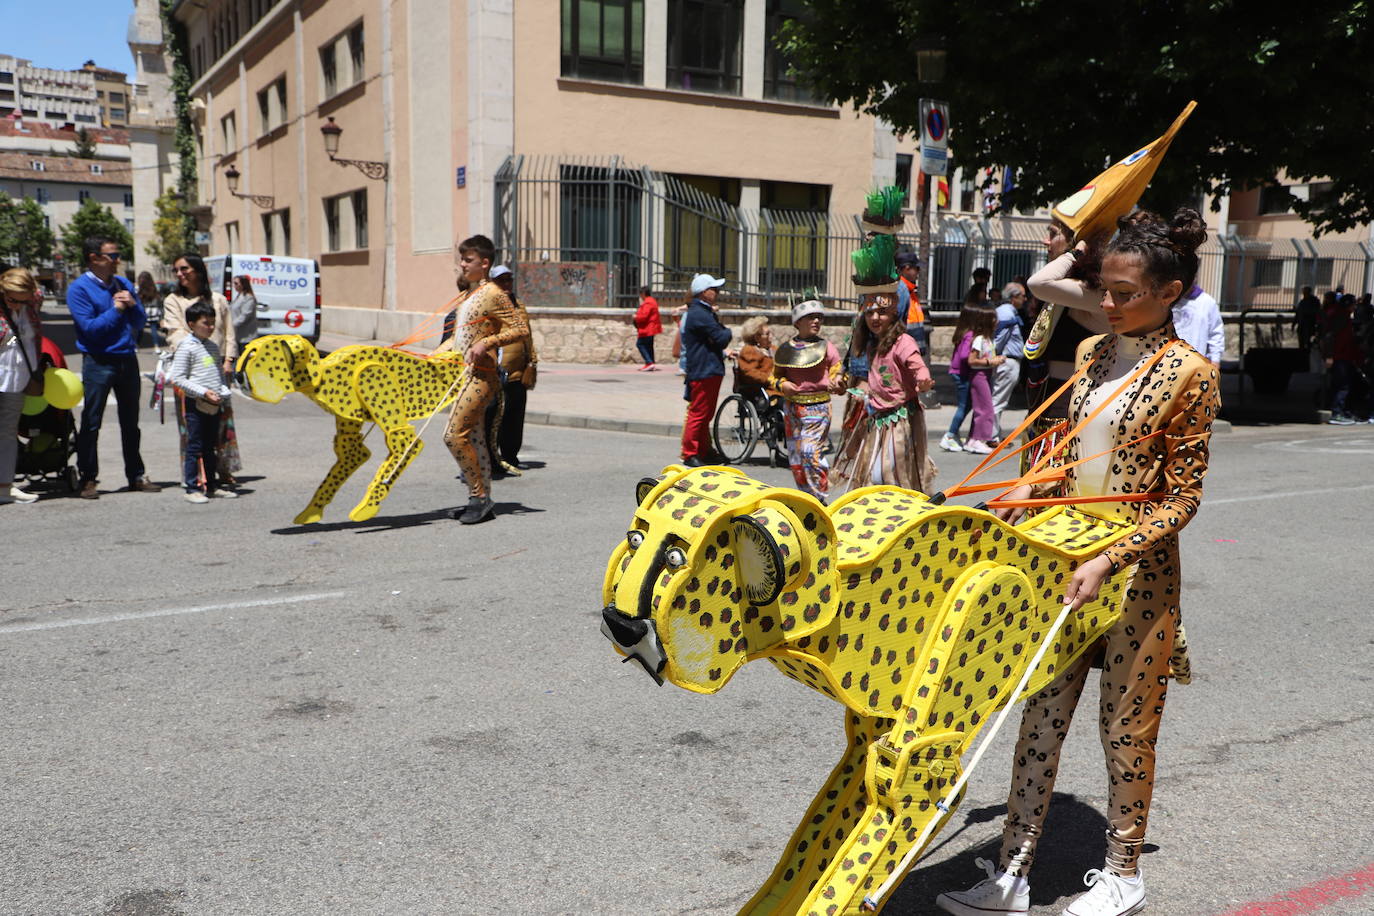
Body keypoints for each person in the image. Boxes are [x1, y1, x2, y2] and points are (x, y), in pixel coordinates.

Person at [936, 208, 1220, 916]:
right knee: (1039, 718)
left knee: (1124, 729)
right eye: (1107, 290)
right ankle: (1013, 875)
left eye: (1127, 293)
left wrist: (1111, 556)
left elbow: (1181, 500)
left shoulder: (1192, 375)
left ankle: (1123, 874)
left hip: (1135, 574)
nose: (1111, 305)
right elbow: (1069, 450)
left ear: (1171, 291)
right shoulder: (1093, 352)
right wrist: (1031, 487)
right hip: (1064, 555)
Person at [437, 234, 528, 524]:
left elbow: (520, 329)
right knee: (474, 440)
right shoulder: (471, 295)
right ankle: (480, 501)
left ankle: (479, 496)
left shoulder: (493, 293)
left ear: (484, 263)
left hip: (482, 377)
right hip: (464, 375)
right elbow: (457, 338)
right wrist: (432, 357)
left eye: (468, 260)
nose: (462, 264)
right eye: (462, 259)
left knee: (453, 435)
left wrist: (487, 342)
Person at [68, 236, 160, 499]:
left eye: (118, 255)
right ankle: (88, 478)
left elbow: (140, 319)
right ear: (94, 258)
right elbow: (90, 329)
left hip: (126, 359)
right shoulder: (79, 289)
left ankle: (136, 475)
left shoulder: (122, 283)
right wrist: (118, 309)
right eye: (113, 255)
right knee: (92, 422)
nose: (118, 259)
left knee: (131, 423)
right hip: (97, 361)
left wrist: (131, 305)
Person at [1022, 219, 1111, 476]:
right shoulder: (1068, 289)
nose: (1045, 241)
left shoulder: (1093, 292)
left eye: (1053, 234)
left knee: (1053, 495)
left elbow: (1038, 282)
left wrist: (1078, 249)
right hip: (1049, 404)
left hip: (1070, 407)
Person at [832, 292, 936, 494]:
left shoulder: (903, 342)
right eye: (870, 313)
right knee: (873, 475)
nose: (875, 318)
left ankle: (904, 512)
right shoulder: (872, 344)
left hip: (901, 419)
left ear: (894, 315)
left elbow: (918, 366)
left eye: (882, 312)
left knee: (888, 474)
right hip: (877, 419)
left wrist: (923, 380)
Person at [162, 254, 243, 487]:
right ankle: (196, 475)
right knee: (193, 426)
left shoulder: (218, 299)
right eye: (176, 270)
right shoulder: (173, 300)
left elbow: (228, 332)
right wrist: (198, 348)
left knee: (221, 423)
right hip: (190, 372)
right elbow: (175, 333)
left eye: (184, 268)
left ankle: (223, 469)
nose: (180, 274)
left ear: (198, 270)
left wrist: (228, 361)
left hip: (217, 370)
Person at [168, 301, 236, 504]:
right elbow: (178, 378)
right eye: (206, 323)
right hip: (195, 404)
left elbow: (218, 376)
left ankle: (212, 486)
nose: (211, 327)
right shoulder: (186, 347)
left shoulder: (213, 347)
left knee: (211, 446)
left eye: (213, 323)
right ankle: (192, 487)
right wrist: (203, 392)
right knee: (194, 445)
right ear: (192, 324)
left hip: (214, 404)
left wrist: (222, 392)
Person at [773, 300, 841, 502]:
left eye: (819, 317)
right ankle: (806, 498)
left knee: (810, 453)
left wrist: (838, 381)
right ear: (798, 322)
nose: (816, 321)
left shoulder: (827, 347)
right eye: (811, 317)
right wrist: (782, 385)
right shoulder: (785, 349)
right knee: (796, 458)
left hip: (818, 407)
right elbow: (774, 377)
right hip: (792, 407)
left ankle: (819, 498)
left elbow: (838, 371)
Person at [485, 265, 536, 474]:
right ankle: (491, 459)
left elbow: (527, 337)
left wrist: (532, 361)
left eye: (509, 280)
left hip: (517, 373)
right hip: (496, 373)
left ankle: (510, 457)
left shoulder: (520, 307)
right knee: (494, 419)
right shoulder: (489, 306)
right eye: (501, 281)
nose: (506, 285)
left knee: (515, 419)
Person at [680, 273, 733, 467]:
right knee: (699, 413)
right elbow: (721, 337)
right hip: (704, 369)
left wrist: (721, 332)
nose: (717, 293)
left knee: (705, 413)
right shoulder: (700, 313)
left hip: (707, 368)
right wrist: (727, 331)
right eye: (714, 289)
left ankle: (703, 450)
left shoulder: (702, 311)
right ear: (703, 293)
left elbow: (717, 336)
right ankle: (690, 452)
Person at [0, 267, 42, 505]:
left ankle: (4, 487)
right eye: (11, 299)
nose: (16, 304)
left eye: (21, 300)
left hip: (17, 376)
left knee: (7, 433)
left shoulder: (31, 304)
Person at [940, 291, 1001, 452]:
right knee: (965, 406)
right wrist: (989, 360)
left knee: (971, 406)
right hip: (963, 374)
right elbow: (966, 357)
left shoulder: (971, 335)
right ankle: (950, 435)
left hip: (965, 373)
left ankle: (967, 437)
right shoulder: (972, 337)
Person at [992, 282, 1027, 438]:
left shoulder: (1006, 312)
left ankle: (995, 433)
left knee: (998, 399)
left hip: (1007, 361)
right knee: (998, 400)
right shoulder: (1007, 314)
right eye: (1023, 296)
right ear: (1013, 297)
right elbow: (998, 340)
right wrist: (994, 357)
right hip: (1007, 361)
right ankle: (992, 435)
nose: (1025, 299)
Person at [1172, 284, 1224, 365]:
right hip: (1169, 361)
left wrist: (1215, 360)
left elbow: (1215, 334)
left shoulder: (1207, 302)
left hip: (1196, 363)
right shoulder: (1168, 300)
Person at [734, 316, 775, 411]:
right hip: (760, 391)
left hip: (776, 387)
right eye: (767, 334)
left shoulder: (773, 349)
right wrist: (770, 379)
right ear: (757, 337)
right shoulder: (749, 351)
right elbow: (749, 372)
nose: (771, 337)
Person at [895, 249, 928, 357]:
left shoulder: (911, 292)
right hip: (904, 354)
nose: (918, 272)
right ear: (906, 268)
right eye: (917, 268)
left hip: (911, 352)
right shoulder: (901, 291)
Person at [633, 286, 662, 371]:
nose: (640, 296)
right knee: (649, 346)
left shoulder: (648, 303)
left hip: (647, 328)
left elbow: (644, 316)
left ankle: (649, 362)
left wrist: (636, 317)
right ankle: (651, 363)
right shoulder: (652, 301)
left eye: (641, 294)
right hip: (651, 328)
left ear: (643, 294)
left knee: (640, 344)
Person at [229, 275, 259, 352]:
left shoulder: (249, 298)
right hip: (238, 335)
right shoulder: (239, 296)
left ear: (243, 284)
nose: (234, 286)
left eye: (236, 283)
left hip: (246, 337)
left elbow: (245, 315)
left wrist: (231, 325)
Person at [136, 271, 163, 349]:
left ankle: (137, 345)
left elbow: (138, 301)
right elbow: (159, 300)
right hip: (154, 311)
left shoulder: (139, 289)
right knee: (153, 329)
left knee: (140, 329)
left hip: (143, 311)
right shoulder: (154, 288)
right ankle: (156, 346)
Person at [1293, 285, 1321, 351]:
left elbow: (1316, 312)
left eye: (1305, 291)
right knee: (1301, 342)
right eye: (1304, 291)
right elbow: (1298, 313)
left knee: (1308, 343)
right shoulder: (1302, 302)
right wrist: (1294, 324)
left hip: (1309, 325)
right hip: (1302, 325)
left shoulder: (1314, 301)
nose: (1304, 293)